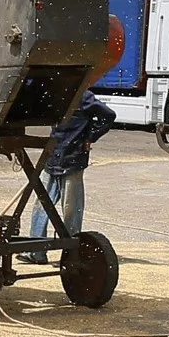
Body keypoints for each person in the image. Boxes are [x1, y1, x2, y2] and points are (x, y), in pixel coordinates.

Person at [31, 89, 116, 240]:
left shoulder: (84, 97)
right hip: (54, 158)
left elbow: (108, 115)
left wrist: (91, 136)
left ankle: (71, 251)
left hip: (72, 159)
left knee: (71, 208)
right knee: (42, 204)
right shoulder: (56, 95)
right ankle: (36, 249)